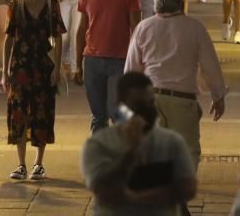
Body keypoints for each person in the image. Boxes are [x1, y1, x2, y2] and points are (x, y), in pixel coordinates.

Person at [124, 0, 228, 167]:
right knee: (187, 155)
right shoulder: (195, 28)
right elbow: (210, 66)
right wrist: (218, 96)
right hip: (183, 102)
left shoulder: (143, 27)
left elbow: (131, 71)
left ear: (156, 3)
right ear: (181, 2)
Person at [80, 72, 197, 215]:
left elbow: (188, 188)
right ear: (121, 107)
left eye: (150, 103)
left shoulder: (171, 142)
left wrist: (138, 198)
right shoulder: (99, 145)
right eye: (138, 105)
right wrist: (132, 151)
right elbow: (102, 189)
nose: (146, 110)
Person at [2, 0, 64, 181]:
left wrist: (57, 66)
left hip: (42, 66)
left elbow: (57, 36)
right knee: (18, 113)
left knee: (42, 112)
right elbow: (8, 39)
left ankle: (38, 163)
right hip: (20, 67)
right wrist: (4, 71)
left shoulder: (50, 4)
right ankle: (21, 164)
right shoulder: (16, 5)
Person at [75, 0, 142, 133]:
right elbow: (82, 29)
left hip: (119, 61)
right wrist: (77, 64)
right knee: (98, 115)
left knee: (119, 112)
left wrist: (138, 64)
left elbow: (137, 30)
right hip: (93, 61)